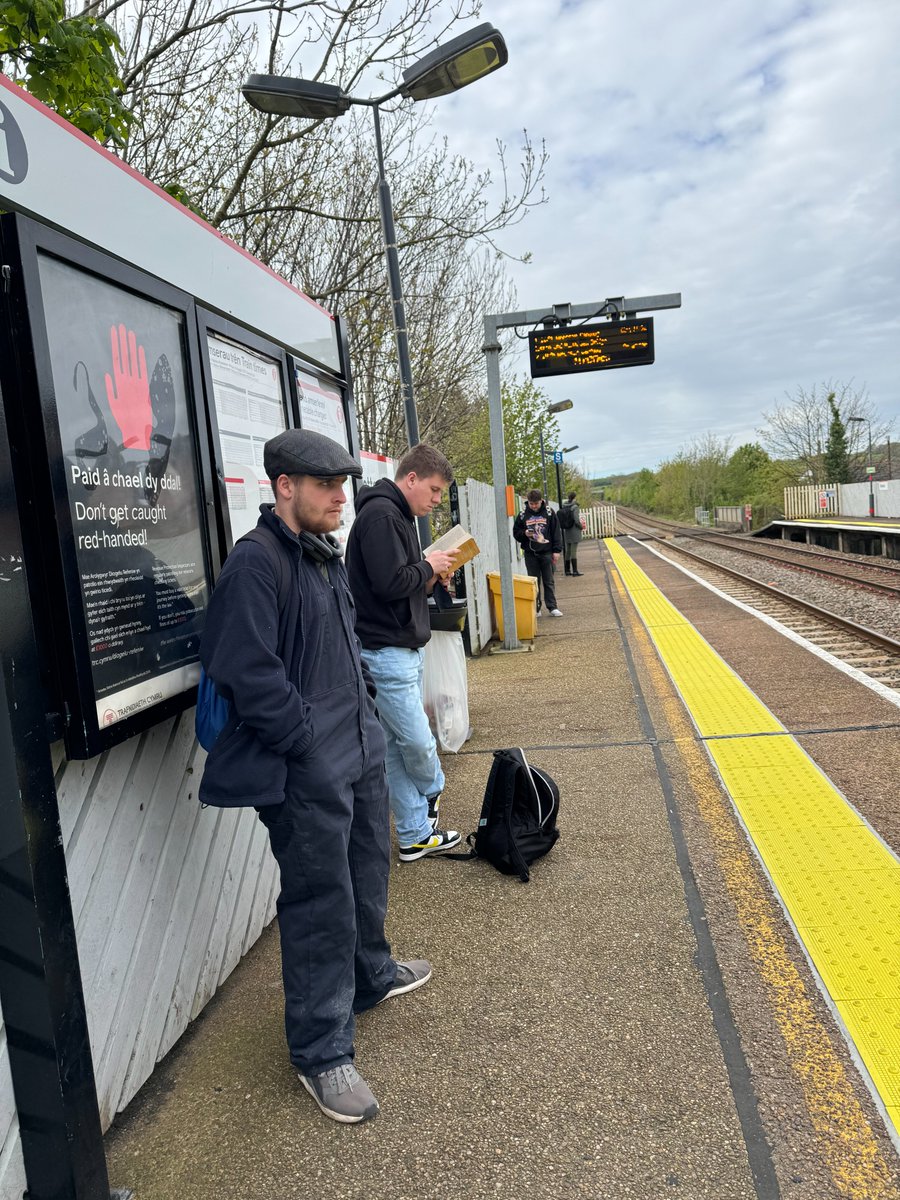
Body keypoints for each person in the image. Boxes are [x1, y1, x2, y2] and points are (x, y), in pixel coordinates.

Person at [198, 427, 431, 1126]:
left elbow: (342, 645)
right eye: (326, 485)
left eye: (344, 484)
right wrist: (305, 743)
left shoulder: (322, 555)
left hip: (356, 753)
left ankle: (370, 975)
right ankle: (322, 1051)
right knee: (319, 900)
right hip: (306, 769)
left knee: (367, 872)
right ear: (284, 488)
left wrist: (362, 705)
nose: (340, 497)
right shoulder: (257, 563)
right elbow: (247, 669)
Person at [346, 444, 462, 862]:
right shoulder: (381, 516)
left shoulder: (396, 516)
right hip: (385, 650)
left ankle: (414, 834)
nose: (435, 500)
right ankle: (433, 791)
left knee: (394, 747)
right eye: (432, 490)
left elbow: (399, 583)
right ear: (410, 478)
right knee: (414, 739)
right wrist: (428, 565)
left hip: (397, 646)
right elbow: (388, 583)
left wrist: (430, 575)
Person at [513, 489, 563, 616]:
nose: (534, 506)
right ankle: (537, 608)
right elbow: (516, 532)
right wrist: (524, 533)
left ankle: (552, 607)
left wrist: (557, 550)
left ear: (541, 501)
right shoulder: (523, 515)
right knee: (534, 581)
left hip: (547, 552)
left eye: (536, 503)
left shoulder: (549, 513)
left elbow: (556, 532)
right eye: (531, 504)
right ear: (528, 502)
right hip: (530, 553)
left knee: (549, 580)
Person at [561, 490, 584, 576]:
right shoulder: (575, 507)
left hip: (567, 531)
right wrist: (581, 527)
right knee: (573, 551)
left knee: (568, 551)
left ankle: (567, 570)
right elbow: (576, 520)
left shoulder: (564, 506)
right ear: (575, 497)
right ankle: (575, 571)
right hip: (574, 530)